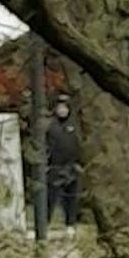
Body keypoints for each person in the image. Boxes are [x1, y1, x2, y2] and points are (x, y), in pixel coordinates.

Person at [46, 95, 82, 228]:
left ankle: (70, 224)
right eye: (59, 107)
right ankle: (45, 222)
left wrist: (78, 162)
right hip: (54, 167)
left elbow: (80, 144)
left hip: (71, 166)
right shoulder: (50, 126)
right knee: (51, 197)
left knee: (71, 198)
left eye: (64, 107)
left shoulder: (75, 125)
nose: (62, 110)